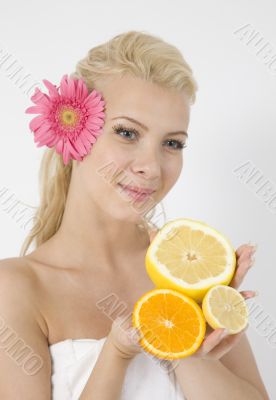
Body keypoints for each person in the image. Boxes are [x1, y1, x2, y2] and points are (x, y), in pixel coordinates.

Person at [0, 30, 269, 399]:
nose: (152, 167)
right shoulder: (15, 288)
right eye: (127, 132)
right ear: (74, 132)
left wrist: (187, 342)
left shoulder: (188, 267)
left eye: (172, 143)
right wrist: (117, 354)